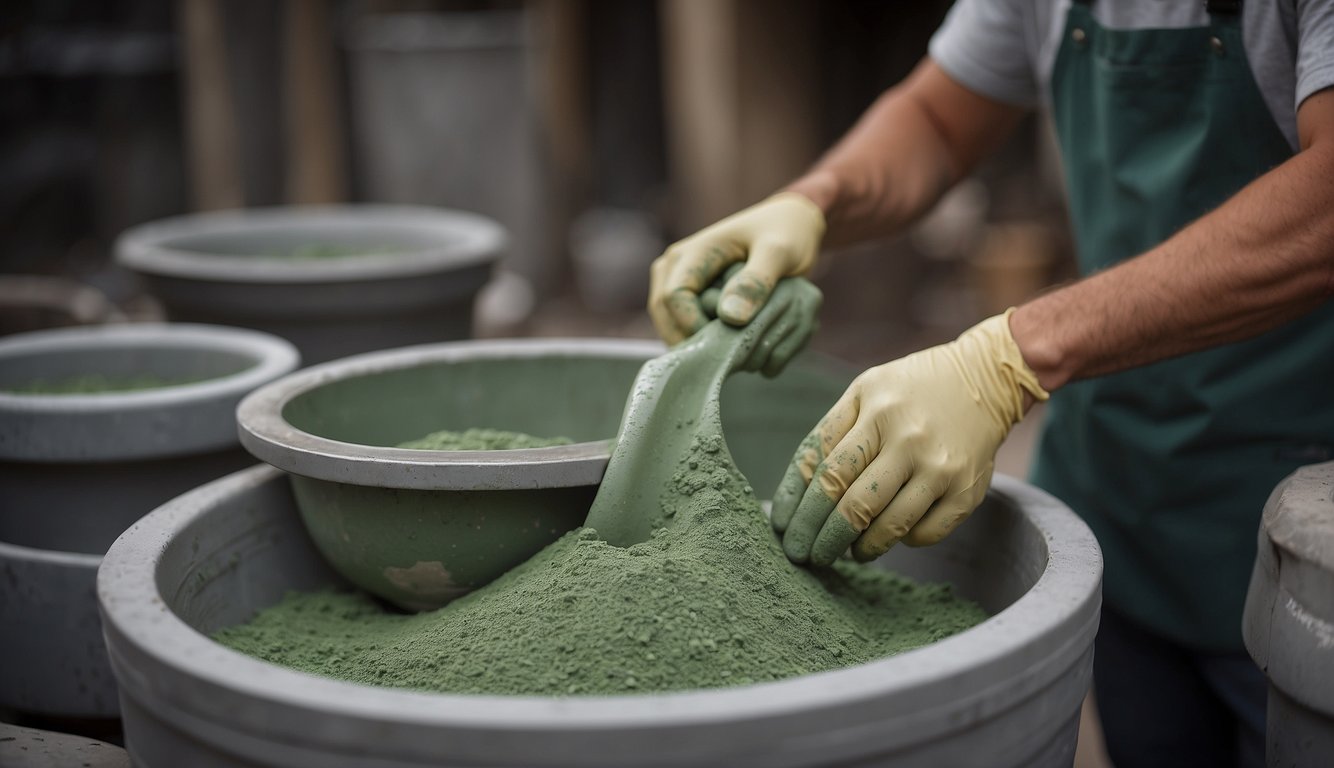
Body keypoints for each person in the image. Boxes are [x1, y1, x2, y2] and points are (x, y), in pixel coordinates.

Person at [647, 1, 1334, 766]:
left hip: (1296, 519)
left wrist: (1006, 357)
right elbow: (937, 120)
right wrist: (809, 204)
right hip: (1122, 488)